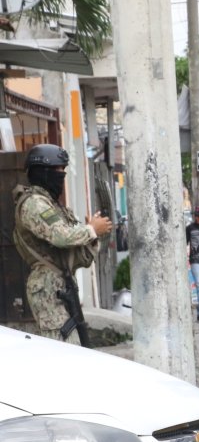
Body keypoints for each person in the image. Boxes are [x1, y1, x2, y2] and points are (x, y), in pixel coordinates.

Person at [12, 144, 111, 345]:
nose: (62, 174)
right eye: (58, 170)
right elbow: (61, 237)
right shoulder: (34, 203)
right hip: (48, 289)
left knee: (76, 347)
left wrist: (91, 233)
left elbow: (73, 245)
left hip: (62, 286)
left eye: (63, 170)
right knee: (63, 352)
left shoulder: (51, 203)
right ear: (43, 172)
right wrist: (91, 229)